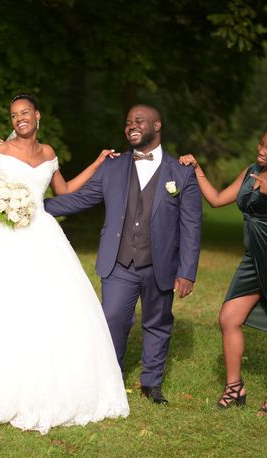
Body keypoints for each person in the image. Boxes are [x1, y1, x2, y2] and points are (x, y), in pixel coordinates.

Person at [0, 93, 129, 433]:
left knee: (49, 305)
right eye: (14, 115)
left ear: (37, 115)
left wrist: (99, 162)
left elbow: (65, 189)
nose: (19, 119)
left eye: (25, 113)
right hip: (0, 233)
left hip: (41, 232)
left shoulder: (48, 153)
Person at [45, 104, 202, 405]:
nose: (131, 125)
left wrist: (187, 271)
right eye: (128, 121)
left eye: (139, 121)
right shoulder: (113, 167)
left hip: (161, 263)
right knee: (113, 318)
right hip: (119, 261)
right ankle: (110, 378)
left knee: (157, 322)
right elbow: (80, 199)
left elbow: (192, 226)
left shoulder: (181, 173)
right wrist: (34, 206)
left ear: (157, 126)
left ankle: (151, 384)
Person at [179, 119, 267, 415]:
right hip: (253, 257)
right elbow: (216, 199)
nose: (262, 151)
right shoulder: (251, 171)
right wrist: (197, 169)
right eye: (261, 144)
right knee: (228, 317)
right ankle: (235, 387)